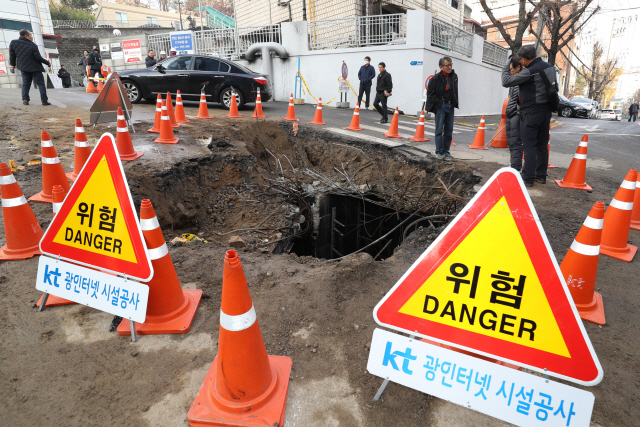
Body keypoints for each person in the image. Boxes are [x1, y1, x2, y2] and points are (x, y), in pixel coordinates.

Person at [502, 45, 558, 187]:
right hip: (546, 112)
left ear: (524, 59)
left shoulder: (530, 71)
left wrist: (506, 66)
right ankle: (541, 176)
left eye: (521, 60)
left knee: (529, 145)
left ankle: (528, 178)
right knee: (542, 145)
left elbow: (506, 82)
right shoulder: (550, 67)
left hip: (531, 113)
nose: (520, 62)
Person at [425, 56, 458, 160]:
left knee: (449, 130)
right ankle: (439, 151)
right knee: (439, 130)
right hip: (441, 106)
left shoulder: (454, 76)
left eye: (451, 64)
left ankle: (446, 150)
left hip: (451, 106)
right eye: (447, 65)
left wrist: (454, 103)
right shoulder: (435, 79)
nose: (450, 67)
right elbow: (430, 95)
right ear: (441, 67)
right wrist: (439, 104)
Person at [8, 29, 51, 106]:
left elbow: (12, 55)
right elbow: (38, 58)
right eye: (30, 35)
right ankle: (44, 101)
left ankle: (25, 99)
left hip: (23, 68)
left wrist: (12, 64)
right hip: (35, 68)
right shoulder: (33, 45)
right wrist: (47, 62)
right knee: (40, 84)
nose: (32, 37)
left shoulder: (13, 43)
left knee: (26, 84)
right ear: (26, 36)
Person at [506, 57, 523, 171]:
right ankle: (514, 165)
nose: (509, 71)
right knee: (511, 143)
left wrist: (513, 110)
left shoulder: (520, 80)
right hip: (511, 114)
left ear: (518, 68)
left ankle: (515, 168)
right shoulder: (514, 80)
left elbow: (518, 100)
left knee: (515, 143)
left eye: (511, 68)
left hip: (515, 115)